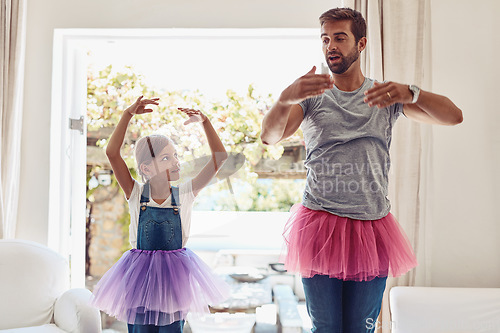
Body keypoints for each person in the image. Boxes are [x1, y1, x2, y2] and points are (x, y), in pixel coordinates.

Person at [260, 7, 462, 333]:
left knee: (361, 329)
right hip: (320, 227)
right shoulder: (310, 98)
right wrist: (285, 98)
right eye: (325, 39)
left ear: (361, 43)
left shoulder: (385, 95)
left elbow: (453, 117)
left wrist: (413, 92)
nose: (331, 46)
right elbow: (269, 136)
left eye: (340, 38)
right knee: (326, 328)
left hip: (372, 230)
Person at [91, 96, 230, 333]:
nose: (176, 162)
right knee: (139, 329)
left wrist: (205, 122)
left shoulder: (186, 193)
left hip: (174, 281)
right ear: (146, 168)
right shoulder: (135, 192)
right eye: (166, 158)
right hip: (138, 280)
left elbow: (220, 157)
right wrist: (127, 114)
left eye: (175, 156)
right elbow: (112, 153)